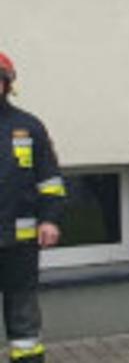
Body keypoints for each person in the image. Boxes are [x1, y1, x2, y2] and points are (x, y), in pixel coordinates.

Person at [0, 51, 64, 363]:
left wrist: (50, 219)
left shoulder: (29, 127)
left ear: (8, 84)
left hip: (20, 242)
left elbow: (50, 179)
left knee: (23, 312)